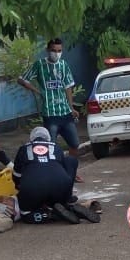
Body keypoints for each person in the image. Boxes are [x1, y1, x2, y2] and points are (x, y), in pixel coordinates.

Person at [17, 38, 83, 182]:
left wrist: (71, 107)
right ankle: (54, 175)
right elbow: (22, 79)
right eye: (54, 50)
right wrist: (37, 91)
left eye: (59, 51)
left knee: (74, 144)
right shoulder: (39, 65)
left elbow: (68, 87)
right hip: (50, 114)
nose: (57, 53)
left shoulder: (64, 65)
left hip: (65, 112)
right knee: (50, 148)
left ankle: (70, 172)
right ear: (48, 50)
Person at [12, 127, 100, 224]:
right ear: (48, 138)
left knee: (26, 215)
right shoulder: (56, 147)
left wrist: (20, 188)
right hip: (60, 188)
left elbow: (16, 175)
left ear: (31, 139)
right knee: (71, 160)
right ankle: (68, 205)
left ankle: (52, 215)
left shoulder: (24, 148)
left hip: (33, 190)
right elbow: (61, 170)